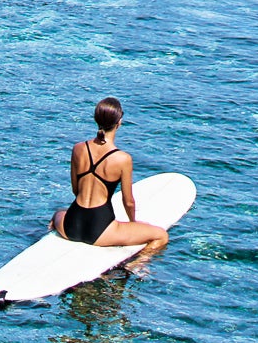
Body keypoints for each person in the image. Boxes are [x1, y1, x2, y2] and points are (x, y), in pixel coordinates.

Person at [49, 97, 169, 250]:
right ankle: (137, 265)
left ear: (96, 119)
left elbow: (76, 190)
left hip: (71, 224)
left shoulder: (78, 148)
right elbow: (128, 201)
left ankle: (55, 222)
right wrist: (133, 224)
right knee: (161, 236)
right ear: (119, 122)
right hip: (100, 229)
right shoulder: (123, 159)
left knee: (59, 212)